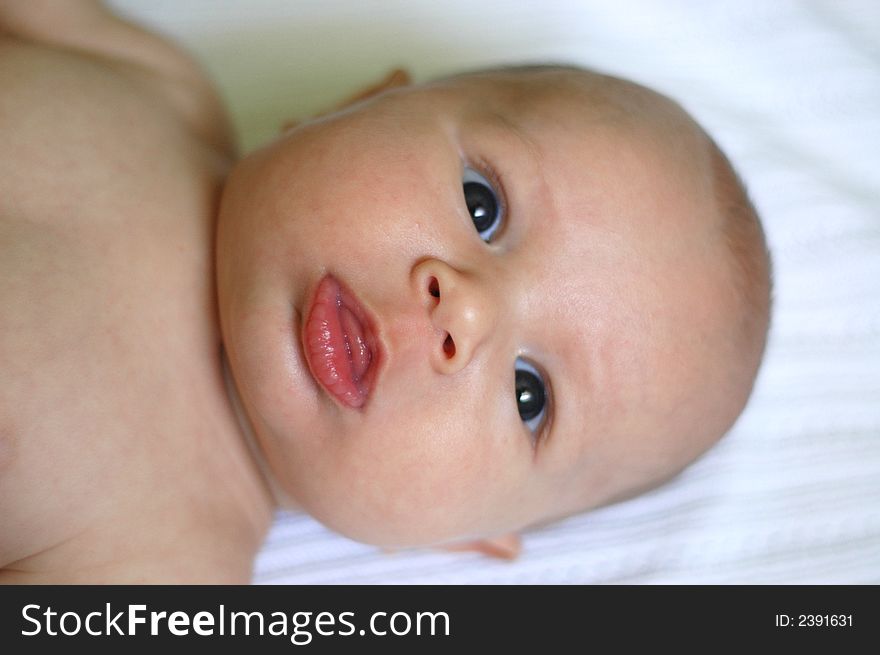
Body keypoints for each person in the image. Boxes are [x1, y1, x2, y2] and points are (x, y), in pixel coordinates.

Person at [0, 1, 771, 582]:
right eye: (483, 204)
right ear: (358, 101)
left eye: (529, 395)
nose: (465, 310)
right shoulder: (157, 88)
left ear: (461, 534)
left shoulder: (154, 571)